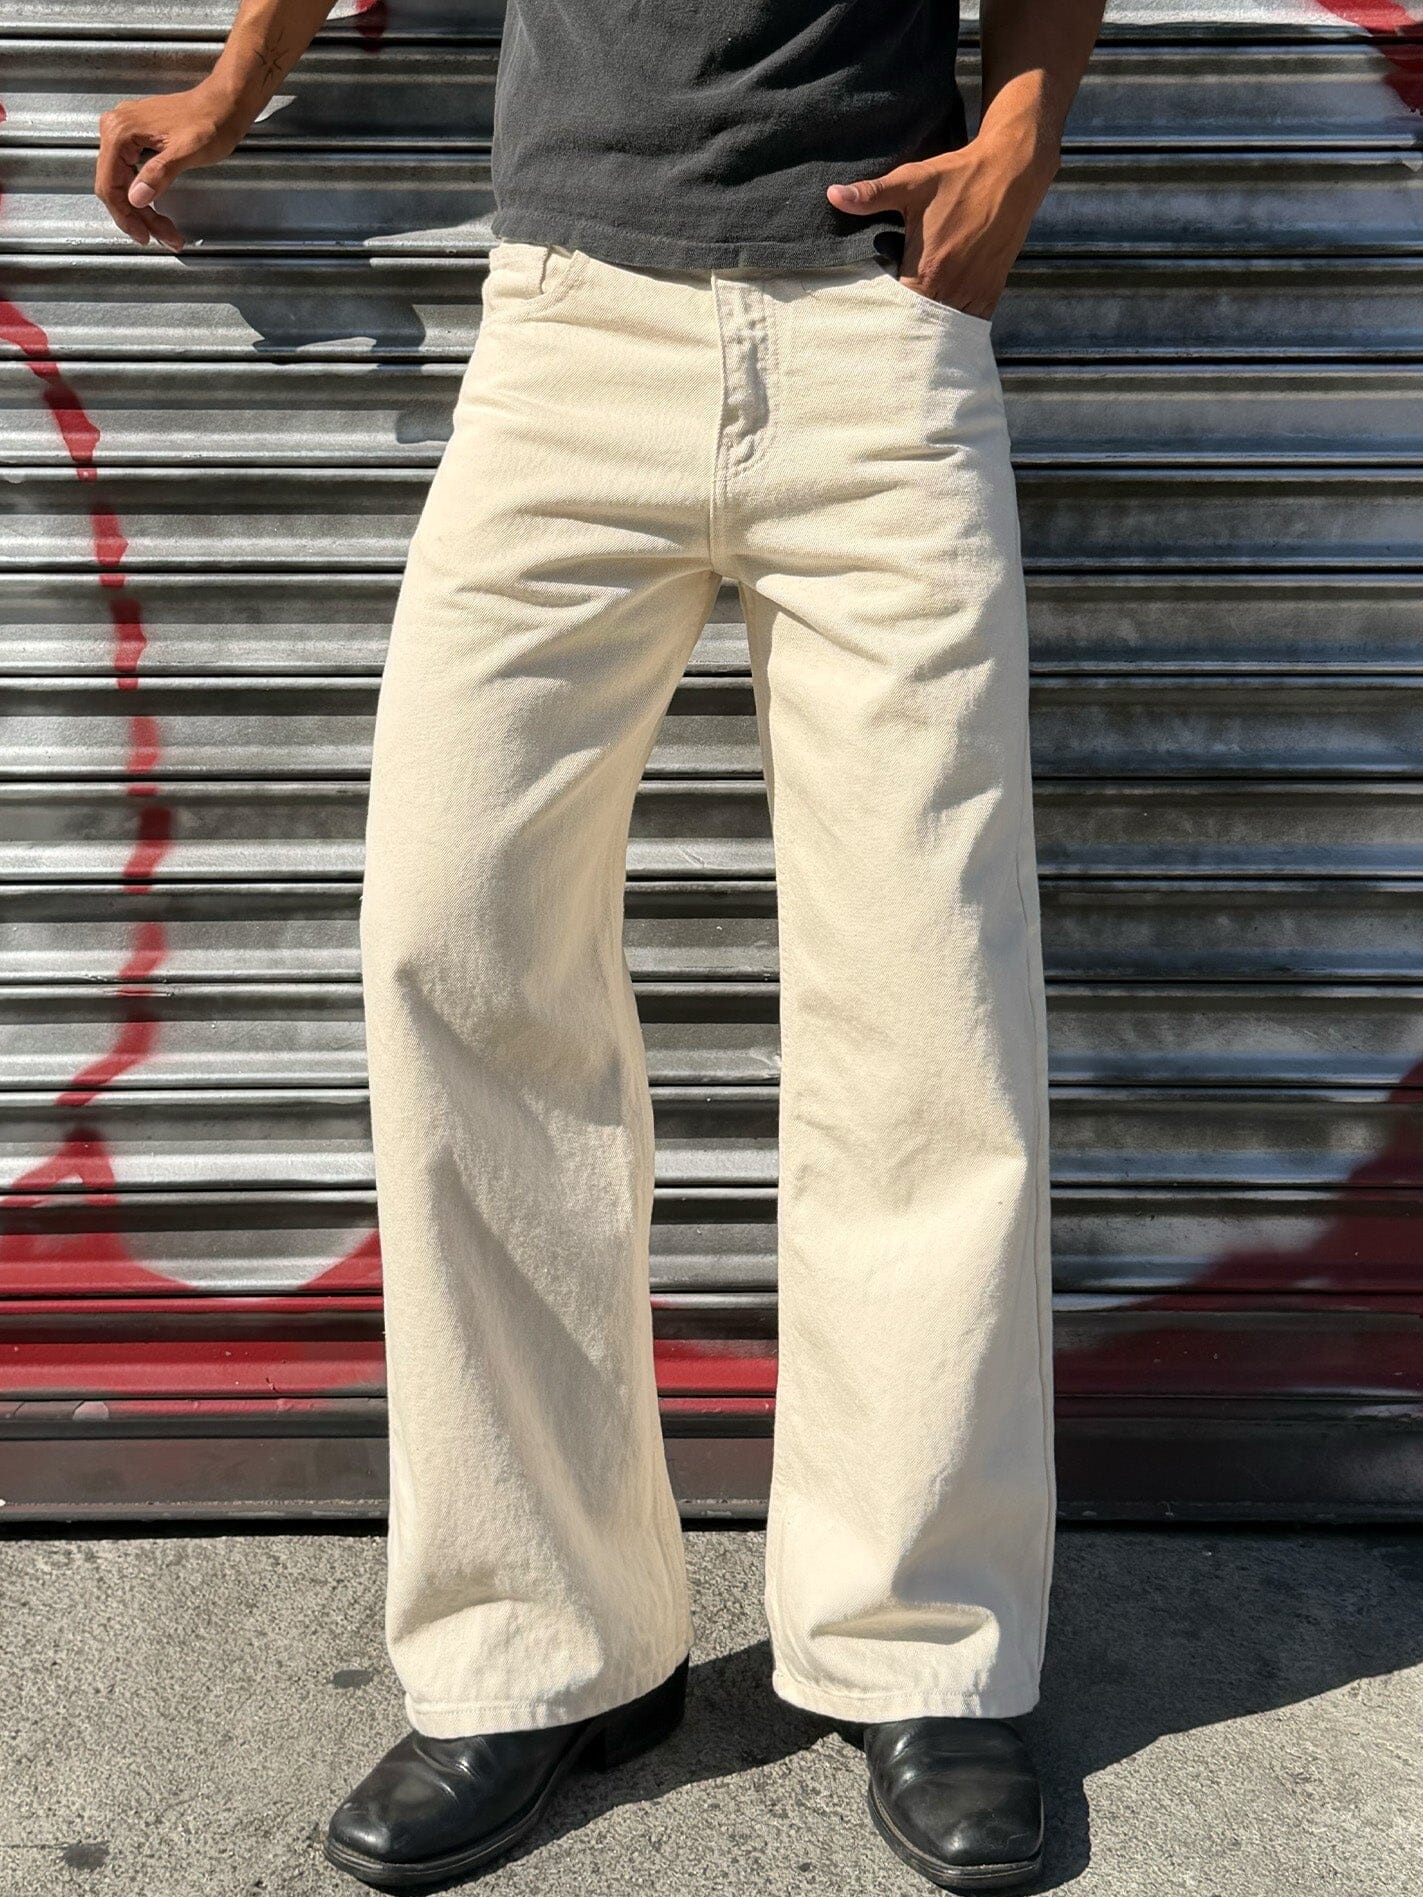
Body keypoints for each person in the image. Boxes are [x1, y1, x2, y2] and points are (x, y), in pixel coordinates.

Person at [97, 0, 1103, 1887]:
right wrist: (237, 79)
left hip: (876, 322)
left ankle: (924, 1643)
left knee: (929, 996)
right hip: (567, 329)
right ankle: (536, 1646)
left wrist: (1026, 131)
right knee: (455, 944)